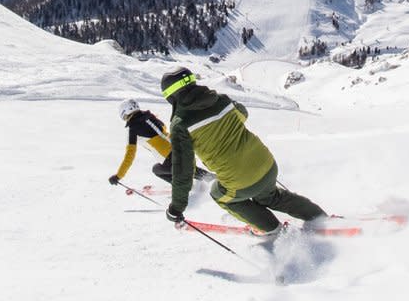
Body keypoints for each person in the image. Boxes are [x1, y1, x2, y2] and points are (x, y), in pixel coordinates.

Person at [160, 67, 326, 235]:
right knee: (272, 197)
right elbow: (242, 113)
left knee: (219, 194)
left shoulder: (180, 124)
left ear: (171, 96)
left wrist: (176, 208)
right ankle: (319, 217)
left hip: (239, 179)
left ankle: (270, 228)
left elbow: (183, 170)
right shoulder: (220, 100)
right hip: (266, 164)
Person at [108, 99, 211, 186]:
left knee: (157, 169)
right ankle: (214, 181)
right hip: (181, 145)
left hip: (170, 157)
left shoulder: (132, 129)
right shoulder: (150, 116)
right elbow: (163, 128)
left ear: (124, 113)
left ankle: (185, 187)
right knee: (191, 170)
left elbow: (130, 154)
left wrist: (118, 176)